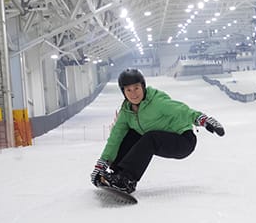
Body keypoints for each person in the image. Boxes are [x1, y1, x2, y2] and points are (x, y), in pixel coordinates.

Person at [90, 69, 225, 194]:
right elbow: (115, 137)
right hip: (159, 139)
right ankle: (117, 175)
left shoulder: (157, 101)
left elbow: (181, 110)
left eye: (136, 88)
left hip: (183, 140)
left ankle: (127, 180)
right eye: (128, 90)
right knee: (129, 134)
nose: (133, 93)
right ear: (123, 92)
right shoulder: (126, 111)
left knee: (150, 137)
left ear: (143, 87)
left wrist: (203, 119)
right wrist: (102, 163)